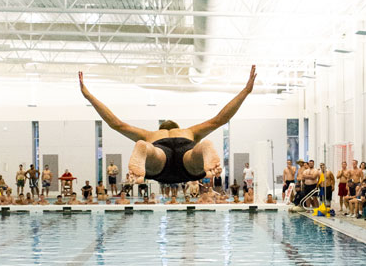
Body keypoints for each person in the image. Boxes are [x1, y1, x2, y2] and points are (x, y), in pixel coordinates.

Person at [79, 66, 256, 185]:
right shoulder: (189, 131)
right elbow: (220, 119)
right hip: (186, 153)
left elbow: (116, 124)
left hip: (159, 158)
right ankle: (204, 149)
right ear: (176, 126)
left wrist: (89, 96)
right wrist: (246, 91)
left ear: (161, 129)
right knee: (196, 152)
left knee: (151, 151)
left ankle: (144, 150)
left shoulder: (150, 134)